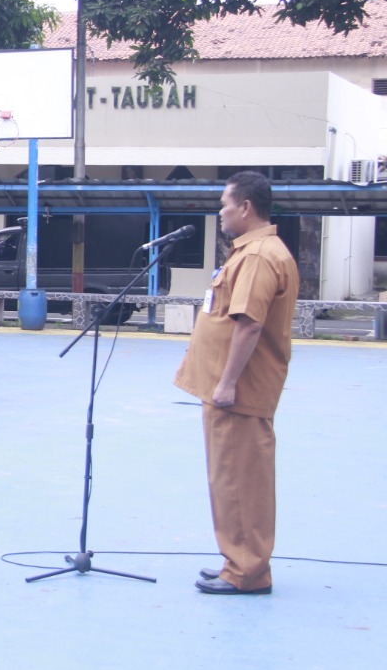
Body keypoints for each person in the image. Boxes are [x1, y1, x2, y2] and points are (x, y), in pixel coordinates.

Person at [175, 171, 298, 596]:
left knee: (239, 481)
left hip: (239, 394)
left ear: (245, 207)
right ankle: (237, 561)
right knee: (229, 480)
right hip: (230, 392)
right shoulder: (250, 251)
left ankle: (247, 571)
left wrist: (227, 383)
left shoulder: (260, 256)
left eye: (225, 205)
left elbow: (248, 325)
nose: (221, 212)